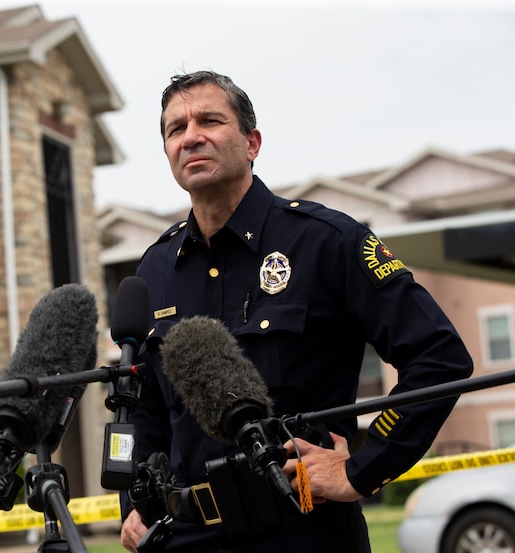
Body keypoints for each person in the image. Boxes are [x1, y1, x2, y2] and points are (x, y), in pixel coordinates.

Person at [119, 70, 473, 552]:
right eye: (175, 128)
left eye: (210, 120)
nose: (191, 136)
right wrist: (137, 501)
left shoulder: (325, 241)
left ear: (252, 142)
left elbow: (439, 358)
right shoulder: (155, 269)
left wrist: (361, 466)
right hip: (187, 538)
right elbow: (147, 409)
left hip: (304, 530)